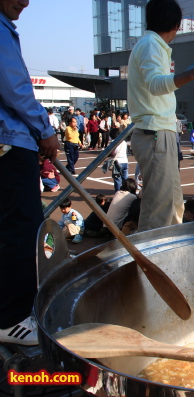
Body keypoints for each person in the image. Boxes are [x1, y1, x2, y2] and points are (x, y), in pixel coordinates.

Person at [0, 0, 60, 346]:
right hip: (9, 143)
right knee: (22, 230)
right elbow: (14, 87)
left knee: (14, 228)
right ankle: (12, 318)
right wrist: (43, 128)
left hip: (10, 142)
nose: (25, 2)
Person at [128, 0, 194, 232]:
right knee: (159, 210)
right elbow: (155, 84)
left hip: (161, 133)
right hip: (155, 133)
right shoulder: (151, 45)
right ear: (176, 25)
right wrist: (193, 74)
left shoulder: (153, 45)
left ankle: (168, 259)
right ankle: (149, 266)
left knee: (174, 205)